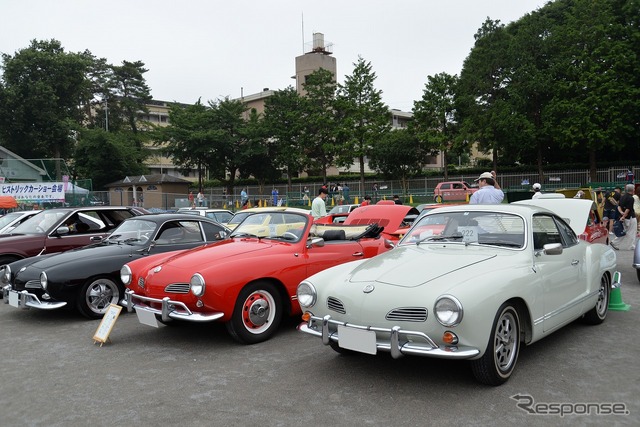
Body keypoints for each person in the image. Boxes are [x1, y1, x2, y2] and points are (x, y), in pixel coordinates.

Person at [611, 184, 636, 250]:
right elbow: (628, 208)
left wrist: (622, 213)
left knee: (624, 231)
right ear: (633, 190)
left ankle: (615, 242)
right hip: (630, 217)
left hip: (623, 216)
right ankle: (630, 245)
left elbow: (618, 206)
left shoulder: (622, 197)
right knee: (632, 232)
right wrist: (624, 215)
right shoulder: (631, 198)